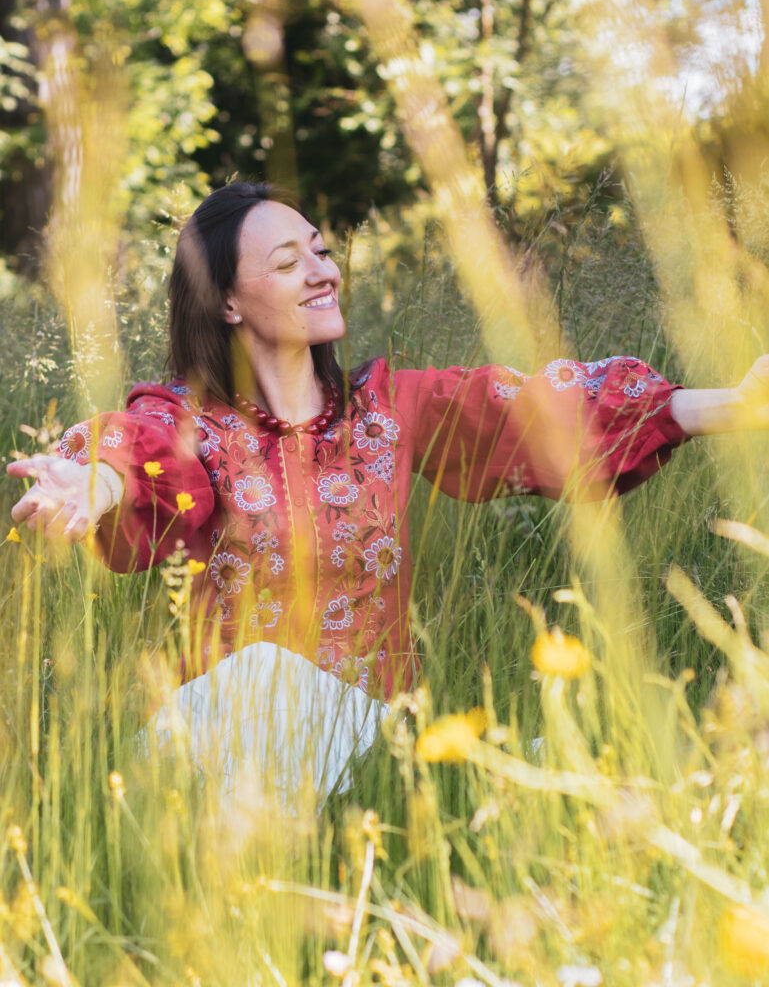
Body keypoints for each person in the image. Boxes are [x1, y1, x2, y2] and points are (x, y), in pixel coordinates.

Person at [8, 181, 769, 803]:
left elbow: (539, 412)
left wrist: (730, 406)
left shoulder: (390, 408)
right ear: (228, 302)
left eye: (322, 251)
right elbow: (137, 450)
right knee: (266, 672)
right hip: (231, 738)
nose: (322, 271)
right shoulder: (193, 425)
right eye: (286, 262)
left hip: (368, 741)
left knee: (584, 764)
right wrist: (94, 483)